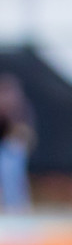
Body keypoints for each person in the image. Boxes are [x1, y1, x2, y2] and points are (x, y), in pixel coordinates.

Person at [0, 74, 35, 214]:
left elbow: (25, 133)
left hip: (14, 149)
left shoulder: (20, 108)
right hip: (4, 148)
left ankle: (16, 206)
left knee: (12, 174)